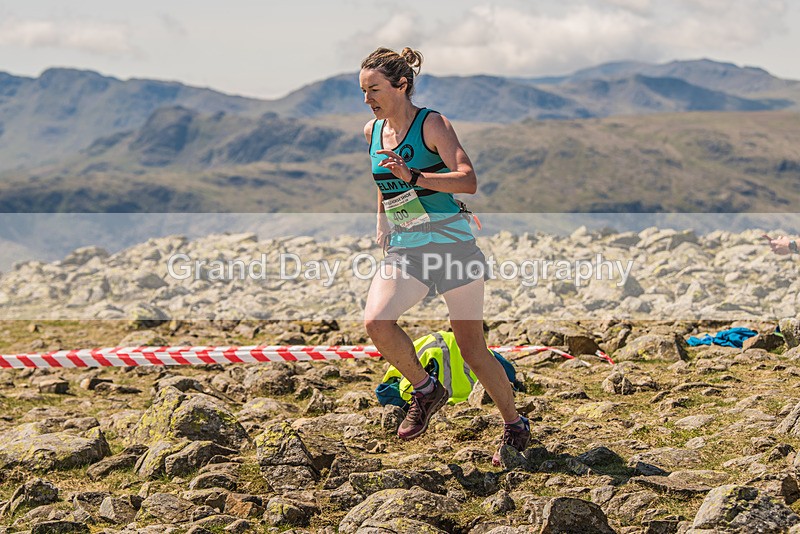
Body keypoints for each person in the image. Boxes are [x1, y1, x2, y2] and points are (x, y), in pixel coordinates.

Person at [359, 46, 530, 465]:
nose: (368, 99)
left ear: (401, 85)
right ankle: (425, 389)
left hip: (452, 246)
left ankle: (514, 423)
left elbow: (467, 181)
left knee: (472, 349)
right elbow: (384, 180)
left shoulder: (432, 123)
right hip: (407, 248)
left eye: (375, 89)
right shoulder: (372, 131)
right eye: (363, 91)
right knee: (377, 322)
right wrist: (382, 221)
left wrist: (415, 176)